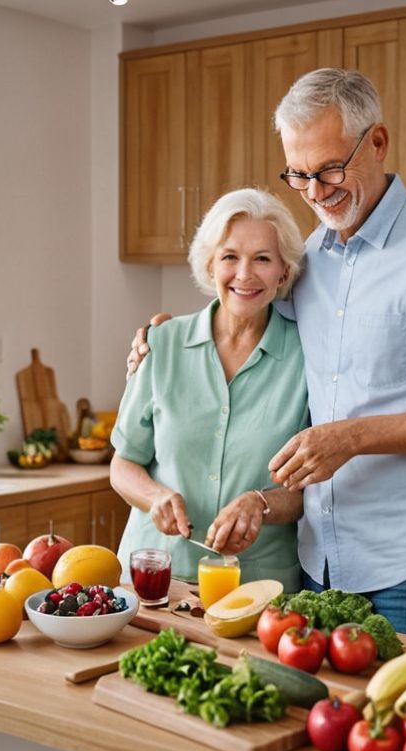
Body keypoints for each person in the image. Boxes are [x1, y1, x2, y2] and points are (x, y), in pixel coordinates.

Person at [127, 69, 406, 642]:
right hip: (320, 561)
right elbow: (247, 309)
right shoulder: (311, 260)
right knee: (323, 727)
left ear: (376, 142)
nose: (317, 191)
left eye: (330, 169)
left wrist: (350, 437)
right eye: (299, 175)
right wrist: (162, 335)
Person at [110, 188, 309, 591]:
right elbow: (123, 464)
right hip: (153, 579)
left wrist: (262, 503)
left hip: (259, 588)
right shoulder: (162, 343)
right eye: (230, 256)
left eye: (263, 259)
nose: (245, 274)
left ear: (284, 272)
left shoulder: (309, 358)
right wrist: (155, 497)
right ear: (210, 264)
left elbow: (316, 491)